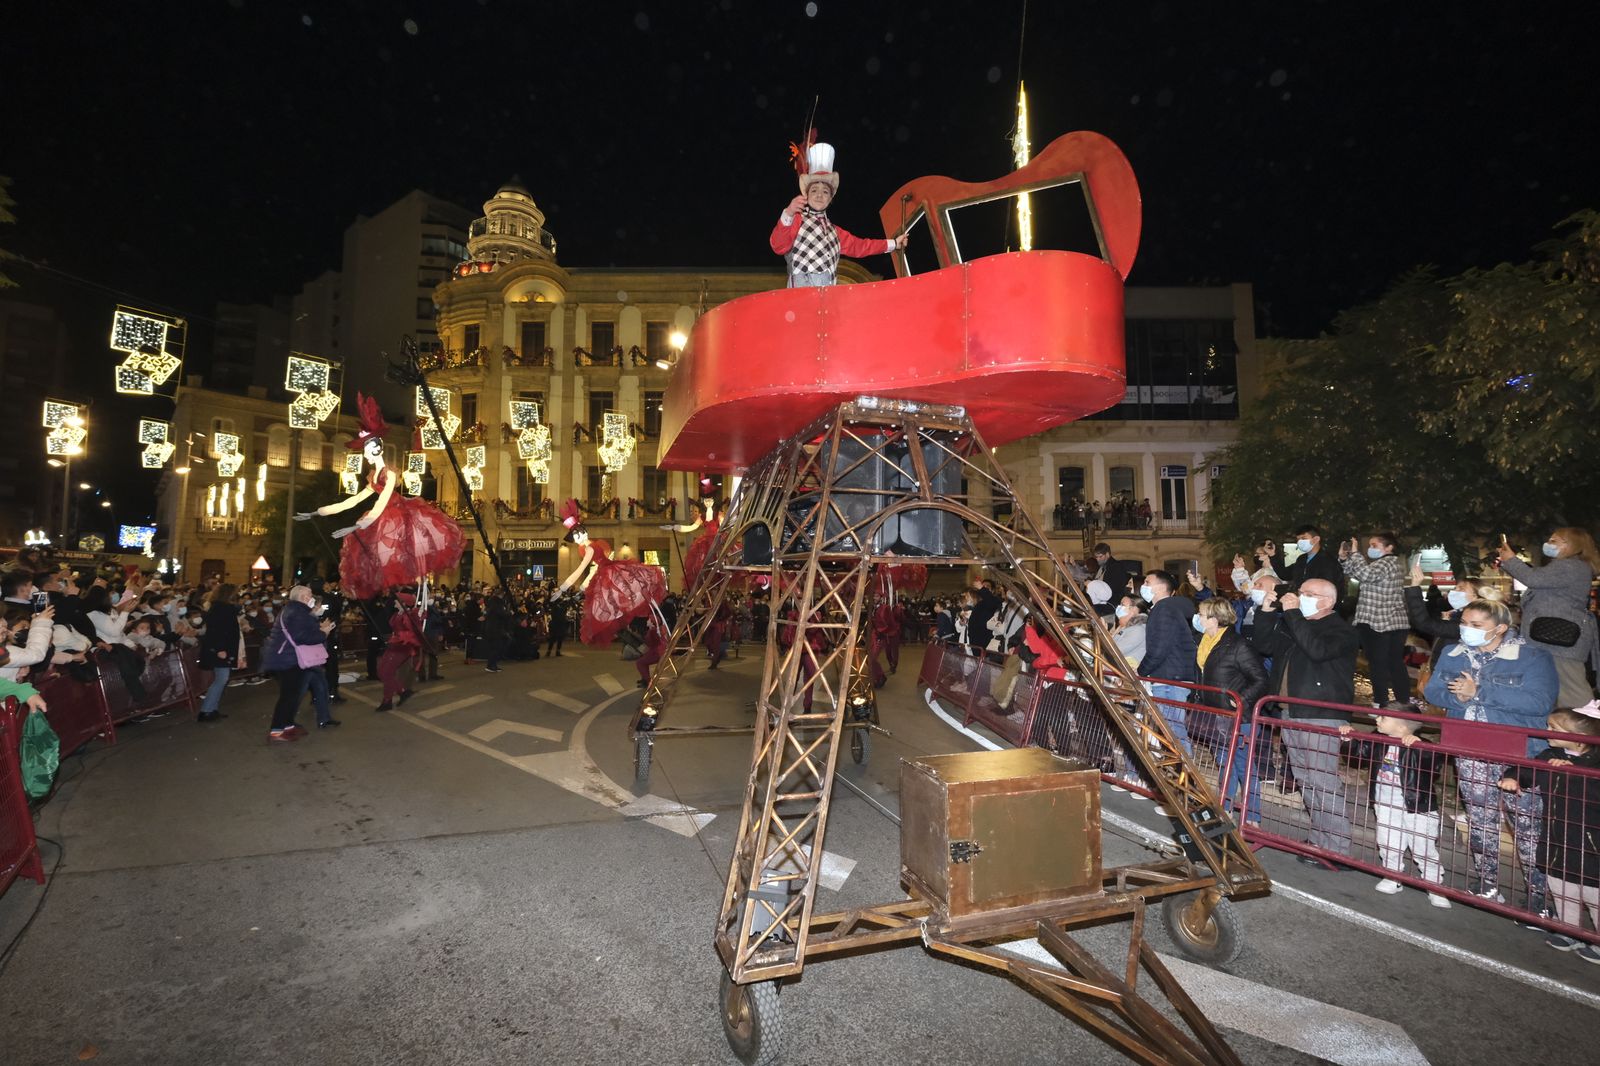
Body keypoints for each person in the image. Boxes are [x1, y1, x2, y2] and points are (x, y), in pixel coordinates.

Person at [1424, 598, 1558, 913]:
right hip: (1469, 747)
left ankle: (1540, 899)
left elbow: (1540, 703)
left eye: (1476, 625)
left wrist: (1479, 693)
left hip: (1517, 755)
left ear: (1500, 628)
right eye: (1464, 623)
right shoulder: (1452, 653)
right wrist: (1459, 696)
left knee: (1527, 827)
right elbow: (1433, 692)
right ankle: (1487, 884)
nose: (1465, 630)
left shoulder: (1531, 657)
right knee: (1481, 819)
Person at [295, 392, 465, 601]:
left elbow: (382, 501)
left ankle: (423, 600)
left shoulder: (390, 474)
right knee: (384, 559)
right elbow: (353, 500)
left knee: (411, 556)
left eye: (369, 448)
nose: (366, 453)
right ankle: (408, 600)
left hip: (399, 516)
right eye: (365, 449)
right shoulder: (373, 475)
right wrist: (317, 512)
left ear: (378, 447)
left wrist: (360, 525)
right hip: (382, 518)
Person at [1252, 577, 1360, 860]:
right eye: (1300, 593)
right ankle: (1319, 837)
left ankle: (1337, 849)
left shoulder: (1340, 630)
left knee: (1323, 781)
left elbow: (1317, 650)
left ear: (1327, 601)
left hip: (1320, 714)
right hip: (1292, 711)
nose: (1300, 598)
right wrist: (1265, 612)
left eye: (1308, 594)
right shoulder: (1296, 624)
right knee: (1306, 779)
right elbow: (1264, 644)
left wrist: (1292, 613)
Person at [1501, 705, 1600, 959]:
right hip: (1557, 833)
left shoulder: (1595, 761)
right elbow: (1527, 770)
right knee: (1561, 886)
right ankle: (1568, 930)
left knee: (1593, 891)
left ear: (1578, 734)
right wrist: (1513, 777)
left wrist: (1573, 772)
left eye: (1553, 728)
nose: (1547, 731)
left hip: (1591, 839)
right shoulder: (1549, 754)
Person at [1339, 706, 1451, 907]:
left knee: (1423, 846)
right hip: (1386, 804)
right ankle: (1392, 876)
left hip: (1418, 807)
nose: (1377, 720)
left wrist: (1420, 748)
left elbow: (1434, 766)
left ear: (1401, 724)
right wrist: (1349, 740)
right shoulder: (1379, 739)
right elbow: (1360, 754)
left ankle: (1435, 885)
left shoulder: (1421, 745)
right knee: (1388, 841)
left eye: (1382, 717)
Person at [770, 139, 906, 287]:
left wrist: (894, 244)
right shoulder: (797, 220)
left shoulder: (835, 232)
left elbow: (861, 246)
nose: (819, 195)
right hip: (802, 295)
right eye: (814, 190)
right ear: (806, 196)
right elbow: (778, 246)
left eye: (825, 192)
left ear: (830, 199)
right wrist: (788, 212)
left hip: (828, 294)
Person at [1497, 528, 1600, 710]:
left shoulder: (1570, 566)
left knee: (1572, 690)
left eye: (1555, 541)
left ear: (1573, 545)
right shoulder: (1572, 567)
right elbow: (1539, 579)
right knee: (1559, 686)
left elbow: (1533, 578)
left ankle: (1587, 727)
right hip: (1555, 639)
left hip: (1558, 641)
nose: (1549, 544)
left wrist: (1511, 560)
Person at [1195, 597, 1268, 827]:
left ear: (1214, 619)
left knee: (1244, 765)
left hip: (1237, 716)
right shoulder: (1206, 641)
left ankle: (1252, 815)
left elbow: (1260, 678)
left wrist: (1240, 701)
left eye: (1202, 614)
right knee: (1225, 763)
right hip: (1215, 715)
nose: (1198, 618)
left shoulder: (1237, 645)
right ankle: (1225, 807)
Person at [1339, 533, 1411, 705]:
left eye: (1374, 545)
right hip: (1389, 622)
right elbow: (1354, 573)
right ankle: (1402, 702)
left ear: (1389, 548)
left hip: (1379, 623)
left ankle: (1382, 703)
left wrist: (1356, 554)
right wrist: (1344, 558)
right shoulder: (1384, 564)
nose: (1370, 548)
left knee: (1379, 664)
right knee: (1393, 663)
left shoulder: (1386, 563)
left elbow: (1366, 575)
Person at [261, 585, 335, 743]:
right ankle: (277, 730)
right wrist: (323, 633)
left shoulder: (293, 610)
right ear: (302, 597)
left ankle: (287, 726)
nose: (312, 598)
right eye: (309, 595)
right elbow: (302, 637)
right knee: (288, 696)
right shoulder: (298, 612)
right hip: (288, 659)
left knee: (292, 694)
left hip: (286, 657)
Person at [1136, 570, 1197, 755]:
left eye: (1147, 582)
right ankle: (1184, 776)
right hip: (1171, 676)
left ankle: (1187, 777)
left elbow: (1159, 648)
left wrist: (1140, 671)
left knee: (1174, 733)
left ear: (1161, 587)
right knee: (1172, 731)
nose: (1143, 586)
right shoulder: (1167, 608)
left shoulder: (1164, 609)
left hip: (1170, 679)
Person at [196, 584, 242, 722]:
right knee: (221, 679)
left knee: (221, 679)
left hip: (219, 648)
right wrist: (220, 649)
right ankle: (206, 710)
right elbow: (218, 630)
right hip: (221, 649)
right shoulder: (223, 609)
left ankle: (212, 708)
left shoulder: (217, 607)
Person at [376, 592, 423, 711]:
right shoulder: (398, 614)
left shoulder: (410, 615)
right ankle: (402, 692)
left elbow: (416, 631)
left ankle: (387, 700)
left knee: (387, 673)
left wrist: (403, 636)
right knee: (382, 671)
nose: (394, 602)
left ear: (403, 603)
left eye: (397, 600)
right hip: (394, 645)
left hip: (402, 647)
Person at [1285, 524, 1345, 609]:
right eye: (1298, 539)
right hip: (1303, 605)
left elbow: (1328, 588)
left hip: (1320, 608)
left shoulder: (1328, 561)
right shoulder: (1301, 559)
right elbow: (1285, 574)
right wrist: (1273, 555)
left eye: (1303, 538)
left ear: (1316, 539)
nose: (1299, 542)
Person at [1110, 595, 1147, 666]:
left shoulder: (1138, 630)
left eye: (1122, 605)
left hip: (1122, 674)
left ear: (1134, 609)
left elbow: (1113, 652)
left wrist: (1102, 634)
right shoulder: (1124, 626)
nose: (1119, 607)